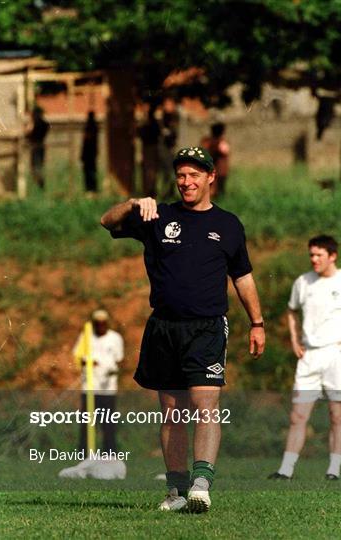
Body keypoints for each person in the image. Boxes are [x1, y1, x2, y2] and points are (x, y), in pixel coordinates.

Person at [100, 146, 265, 512]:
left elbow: (243, 277)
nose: (186, 182)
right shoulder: (157, 215)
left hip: (206, 328)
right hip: (164, 327)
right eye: (181, 175)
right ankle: (175, 493)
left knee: (206, 405)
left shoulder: (228, 225)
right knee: (171, 412)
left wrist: (257, 322)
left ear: (210, 178)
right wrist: (131, 203)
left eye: (194, 175)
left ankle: (201, 486)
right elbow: (107, 222)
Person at [269, 235, 341, 481]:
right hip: (309, 356)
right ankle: (285, 470)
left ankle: (334, 470)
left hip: (339, 356)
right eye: (311, 254)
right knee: (298, 415)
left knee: (336, 415)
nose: (314, 259)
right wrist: (294, 339)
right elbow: (291, 312)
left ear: (332, 256)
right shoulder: (303, 282)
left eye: (319, 255)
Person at [73, 309, 124, 453]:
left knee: (108, 423)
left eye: (103, 323)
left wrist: (112, 371)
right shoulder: (86, 337)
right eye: (98, 323)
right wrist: (88, 363)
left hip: (108, 389)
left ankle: (109, 454)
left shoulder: (115, 338)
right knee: (87, 424)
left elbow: (119, 360)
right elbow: (78, 357)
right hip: (89, 388)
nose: (100, 325)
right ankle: (84, 454)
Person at [200, 123, 230, 197]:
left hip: (216, 169)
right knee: (214, 190)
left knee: (217, 190)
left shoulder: (208, 141)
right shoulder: (218, 142)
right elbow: (225, 150)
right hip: (218, 169)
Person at [138, 104, 161, 197]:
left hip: (150, 149)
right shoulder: (152, 123)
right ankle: (149, 191)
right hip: (149, 149)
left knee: (150, 172)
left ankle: (150, 192)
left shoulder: (150, 123)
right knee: (148, 171)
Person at [26, 107, 49, 189]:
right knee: (39, 167)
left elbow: (28, 134)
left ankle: (40, 184)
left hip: (35, 147)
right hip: (41, 146)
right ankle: (40, 185)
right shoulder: (45, 124)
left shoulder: (35, 124)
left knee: (35, 168)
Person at [81, 111, 99, 193]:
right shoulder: (93, 127)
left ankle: (91, 189)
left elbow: (87, 140)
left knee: (90, 172)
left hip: (89, 154)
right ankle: (90, 189)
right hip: (90, 154)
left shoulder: (91, 127)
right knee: (89, 172)